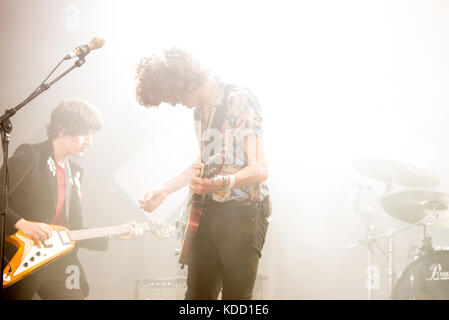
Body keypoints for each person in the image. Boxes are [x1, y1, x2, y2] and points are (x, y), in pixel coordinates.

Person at [135, 48, 271, 300]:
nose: (172, 101)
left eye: (170, 94)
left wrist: (223, 182)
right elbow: (207, 160)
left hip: (243, 214)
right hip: (208, 214)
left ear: (182, 80)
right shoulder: (199, 109)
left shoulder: (238, 100)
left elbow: (260, 168)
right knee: (196, 298)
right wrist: (164, 189)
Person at [2, 99, 142, 300]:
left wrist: (115, 233)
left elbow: (71, 230)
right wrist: (22, 224)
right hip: (20, 259)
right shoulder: (31, 156)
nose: (90, 141)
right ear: (62, 129)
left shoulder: (74, 173)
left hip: (60, 263)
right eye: (85, 134)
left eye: (92, 135)